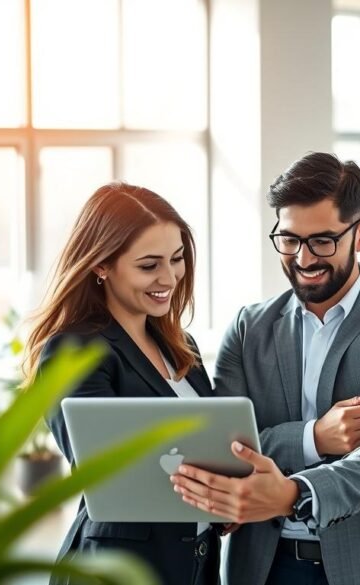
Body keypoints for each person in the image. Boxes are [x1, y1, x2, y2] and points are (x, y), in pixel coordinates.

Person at [169, 152, 360, 585]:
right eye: (289, 239)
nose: (303, 258)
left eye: (322, 241)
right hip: (262, 564)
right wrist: (313, 437)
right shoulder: (248, 328)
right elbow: (224, 447)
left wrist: (295, 493)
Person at [24, 182, 221, 585]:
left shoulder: (182, 346)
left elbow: (208, 442)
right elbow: (106, 475)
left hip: (195, 565)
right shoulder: (76, 350)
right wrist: (209, 494)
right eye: (149, 265)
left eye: (177, 258)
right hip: (120, 568)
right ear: (101, 265)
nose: (169, 277)